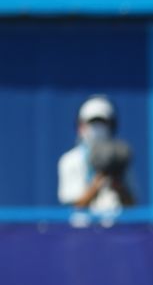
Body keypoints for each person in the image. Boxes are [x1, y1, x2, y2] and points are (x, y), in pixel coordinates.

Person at [57, 95, 135, 224]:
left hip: (115, 233)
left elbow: (132, 206)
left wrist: (119, 186)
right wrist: (97, 184)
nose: (97, 128)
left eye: (102, 123)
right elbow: (74, 206)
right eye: (92, 123)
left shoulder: (120, 159)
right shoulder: (69, 160)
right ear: (80, 126)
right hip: (82, 236)